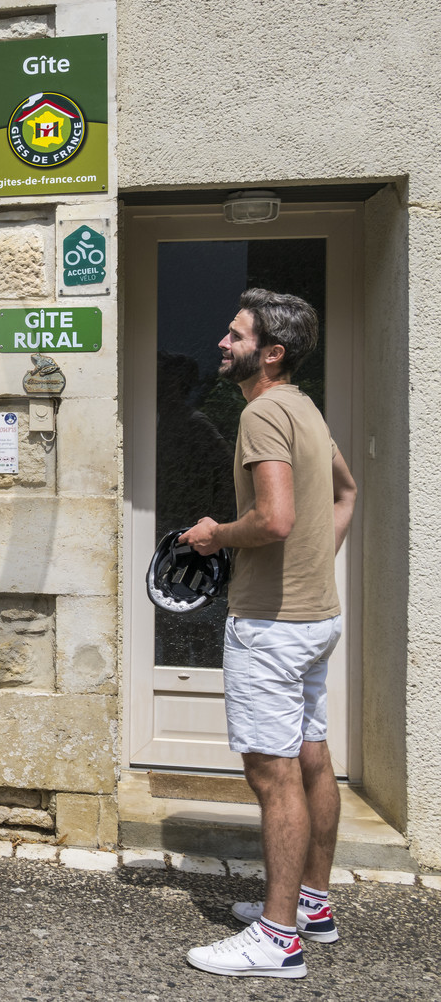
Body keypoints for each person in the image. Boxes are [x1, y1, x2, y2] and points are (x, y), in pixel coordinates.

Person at [180, 288, 357, 979]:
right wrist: (317, 564)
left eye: (236, 334)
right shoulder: (304, 407)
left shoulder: (260, 413)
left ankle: (277, 939)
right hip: (316, 618)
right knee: (311, 757)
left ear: (271, 352)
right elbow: (346, 490)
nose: (222, 344)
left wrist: (214, 535)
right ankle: (311, 904)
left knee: (272, 774)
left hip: (271, 627)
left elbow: (274, 519)